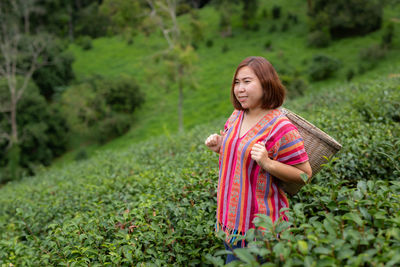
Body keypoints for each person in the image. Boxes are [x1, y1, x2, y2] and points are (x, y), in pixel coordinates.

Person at [204, 56, 312, 264]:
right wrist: (220, 147)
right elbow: (240, 158)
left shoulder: (281, 127)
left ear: (266, 83)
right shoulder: (237, 115)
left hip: (260, 231)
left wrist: (268, 162)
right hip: (230, 222)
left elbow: (304, 175)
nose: (240, 89)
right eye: (237, 82)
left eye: (247, 82)